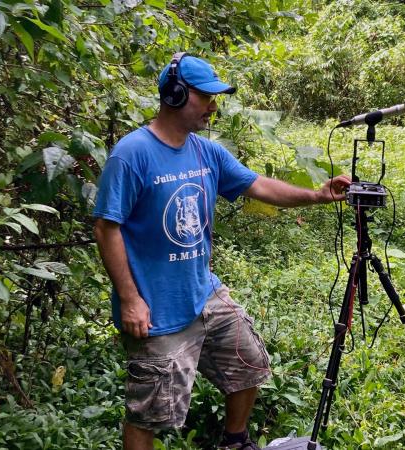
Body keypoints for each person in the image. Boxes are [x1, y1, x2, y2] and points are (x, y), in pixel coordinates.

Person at [93, 53, 351, 450]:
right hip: (157, 308)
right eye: (206, 97)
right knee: (149, 415)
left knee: (250, 363)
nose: (214, 107)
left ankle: (234, 441)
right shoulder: (132, 154)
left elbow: (259, 186)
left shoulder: (205, 151)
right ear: (176, 96)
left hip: (204, 293)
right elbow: (106, 227)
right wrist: (130, 299)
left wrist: (317, 195)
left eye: (216, 98)